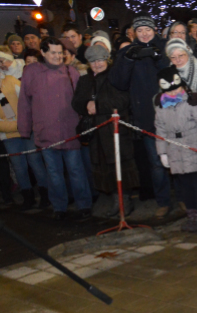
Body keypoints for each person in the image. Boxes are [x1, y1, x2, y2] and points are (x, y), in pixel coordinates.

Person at [18, 38, 92, 220]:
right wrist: (24, 129)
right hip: (46, 132)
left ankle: (84, 205)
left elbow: (80, 100)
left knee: (76, 170)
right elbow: (24, 103)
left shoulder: (71, 71)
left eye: (60, 52)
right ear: (43, 53)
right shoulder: (31, 72)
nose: (58, 56)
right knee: (54, 173)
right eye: (53, 52)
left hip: (70, 131)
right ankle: (59, 207)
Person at [109, 14, 173, 218]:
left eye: (148, 29)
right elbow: (118, 82)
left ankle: (182, 197)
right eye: (140, 30)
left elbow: (174, 75)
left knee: (179, 159)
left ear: (154, 30)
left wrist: (159, 58)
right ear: (134, 33)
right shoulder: (128, 51)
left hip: (171, 112)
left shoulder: (165, 46)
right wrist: (128, 59)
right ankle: (163, 201)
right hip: (146, 116)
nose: (145, 33)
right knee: (156, 162)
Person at [71, 44, 139, 217]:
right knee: (105, 169)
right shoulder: (85, 80)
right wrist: (85, 105)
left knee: (121, 167)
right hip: (97, 133)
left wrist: (99, 106)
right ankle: (116, 201)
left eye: (100, 60)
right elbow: (76, 102)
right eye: (92, 61)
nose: (97, 64)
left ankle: (125, 201)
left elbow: (123, 100)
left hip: (115, 130)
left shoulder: (115, 76)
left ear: (107, 60)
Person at [154, 66, 197, 232]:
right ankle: (191, 214)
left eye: (177, 89)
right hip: (175, 150)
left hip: (194, 146)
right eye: (170, 91)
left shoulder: (191, 102)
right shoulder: (161, 107)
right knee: (184, 185)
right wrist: (162, 152)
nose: (174, 93)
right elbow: (160, 130)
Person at [0, 66, 48, 209]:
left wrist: (24, 123)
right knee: (19, 167)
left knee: (35, 162)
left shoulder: (10, 81)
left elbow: (28, 100)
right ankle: (28, 197)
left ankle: (46, 195)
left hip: (28, 129)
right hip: (9, 135)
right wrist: (16, 126)